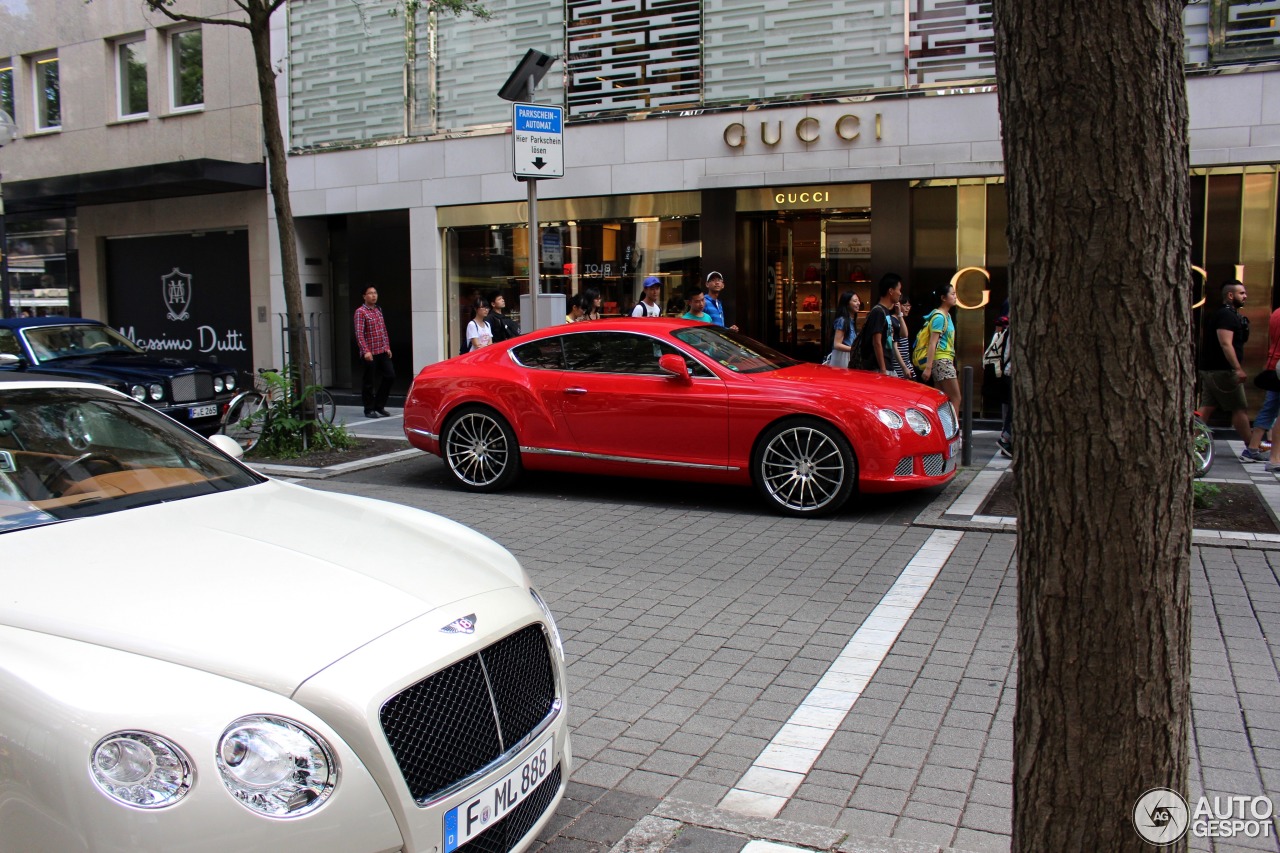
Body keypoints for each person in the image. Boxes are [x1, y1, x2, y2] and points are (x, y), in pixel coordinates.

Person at [1199, 279, 1254, 449]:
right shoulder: (1226, 316)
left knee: (1206, 408)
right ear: (1230, 295)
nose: (1245, 296)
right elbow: (1226, 343)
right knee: (1239, 409)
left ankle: (1187, 441)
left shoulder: (1225, 314)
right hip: (1224, 371)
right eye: (1241, 293)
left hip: (1213, 370)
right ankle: (1251, 448)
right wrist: (1237, 369)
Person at [913, 282, 961, 411]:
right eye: (952, 294)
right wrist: (928, 368)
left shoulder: (947, 315)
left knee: (940, 401)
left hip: (943, 360)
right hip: (942, 361)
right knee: (955, 398)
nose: (955, 296)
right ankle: (953, 431)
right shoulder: (939, 317)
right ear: (943, 298)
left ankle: (942, 429)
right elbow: (932, 343)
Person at [859, 273, 912, 376]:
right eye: (899, 289)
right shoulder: (878, 311)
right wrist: (883, 369)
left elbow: (903, 334)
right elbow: (877, 342)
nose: (900, 293)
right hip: (878, 368)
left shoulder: (886, 311)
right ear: (891, 291)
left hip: (887, 365)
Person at [354, 284, 394, 419]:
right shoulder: (360, 312)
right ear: (364, 296)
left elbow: (383, 330)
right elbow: (359, 334)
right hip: (369, 353)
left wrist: (387, 347)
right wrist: (365, 351)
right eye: (370, 293)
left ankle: (379, 405)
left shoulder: (378, 310)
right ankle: (369, 408)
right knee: (369, 381)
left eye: (375, 293)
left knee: (390, 376)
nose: (373, 295)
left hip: (381, 350)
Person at [826, 291, 860, 368]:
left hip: (848, 355)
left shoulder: (851, 321)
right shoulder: (842, 320)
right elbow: (837, 344)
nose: (858, 303)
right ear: (847, 304)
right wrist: (854, 349)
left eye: (858, 300)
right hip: (842, 357)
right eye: (855, 301)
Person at [892, 297, 916, 380]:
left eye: (909, 306)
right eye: (905, 305)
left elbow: (905, 335)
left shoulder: (900, 320)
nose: (908, 308)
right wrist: (904, 367)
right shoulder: (893, 320)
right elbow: (895, 347)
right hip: (898, 367)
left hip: (906, 365)